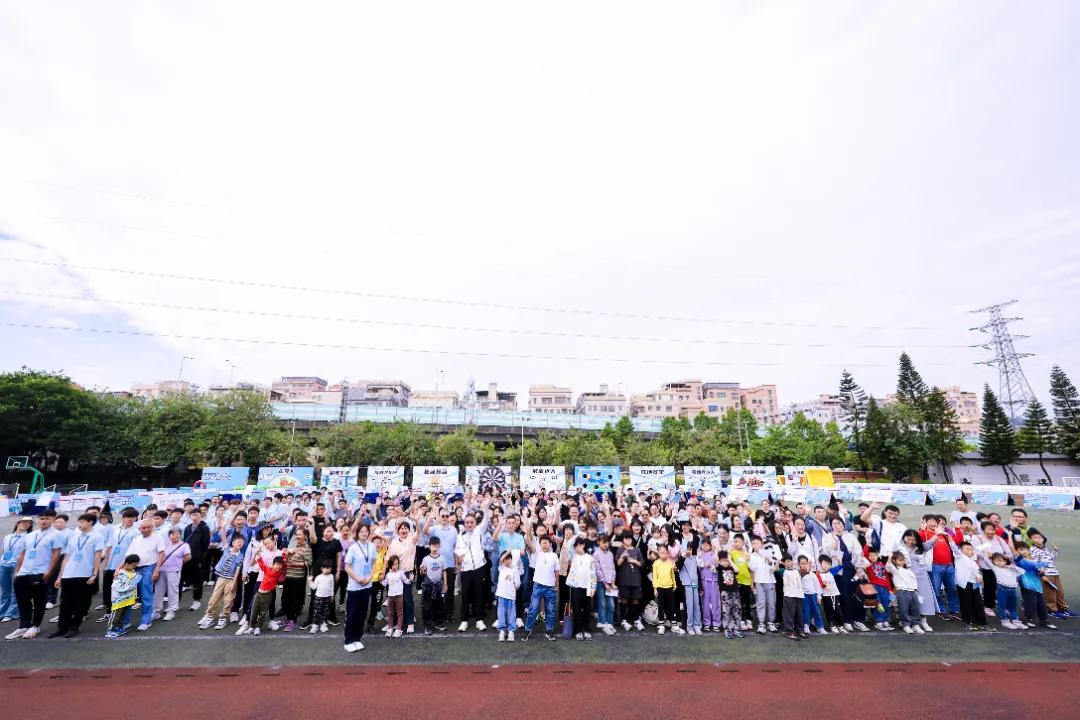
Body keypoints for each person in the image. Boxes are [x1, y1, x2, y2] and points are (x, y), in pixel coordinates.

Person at [8, 511, 63, 640]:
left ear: (52, 520)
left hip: (40, 572)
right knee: (22, 601)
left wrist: (49, 571)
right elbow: (22, 554)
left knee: (39, 601)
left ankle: (35, 626)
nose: (44, 521)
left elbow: (56, 553)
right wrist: (17, 571)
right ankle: (23, 626)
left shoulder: (56, 535)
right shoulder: (30, 535)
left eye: (47, 519)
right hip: (23, 572)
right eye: (41, 518)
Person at [49, 513, 104, 638]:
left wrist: (95, 573)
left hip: (84, 574)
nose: (79, 524)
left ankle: (74, 627)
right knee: (65, 603)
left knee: (81, 603)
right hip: (68, 574)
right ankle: (62, 628)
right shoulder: (74, 537)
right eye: (79, 522)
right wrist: (60, 576)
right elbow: (66, 557)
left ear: (90, 522)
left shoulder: (97, 536)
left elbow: (97, 555)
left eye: (82, 522)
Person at [198, 533, 245, 630]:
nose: (240, 543)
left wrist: (233, 582)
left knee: (228, 599)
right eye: (238, 541)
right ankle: (210, 617)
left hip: (231, 579)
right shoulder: (227, 549)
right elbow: (223, 538)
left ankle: (223, 618)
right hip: (221, 578)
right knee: (214, 597)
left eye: (242, 542)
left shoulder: (241, 556)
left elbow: (237, 570)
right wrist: (223, 527)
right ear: (233, 543)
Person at [126, 519, 165, 632]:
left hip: (148, 568)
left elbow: (161, 554)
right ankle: (126, 621)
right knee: (128, 594)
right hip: (133, 569)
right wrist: (120, 569)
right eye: (143, 528)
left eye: (149, 527)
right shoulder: (136, 539)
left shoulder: (158, 537)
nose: (146, 529)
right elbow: (128, 556)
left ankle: (145, 621)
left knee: (146, 595)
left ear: (153, 527)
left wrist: (157, 570)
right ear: (139, 529)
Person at [343, 524, 376, 652]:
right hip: (355, 586)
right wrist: (358, 579)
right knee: (352, 613)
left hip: (367, 584)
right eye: (361, 531)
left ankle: (357, 638)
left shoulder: (371, 546)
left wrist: (369, 577)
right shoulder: (353, 548)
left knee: (362, 613)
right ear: (357, 533)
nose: (364, 533)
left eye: (366, 531)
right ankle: (348, 641)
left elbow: (373, 563)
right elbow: (347, 567)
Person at [522, 532, 560, 641]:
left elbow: (557, 571)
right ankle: (527, 630)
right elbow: (528, 541)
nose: (544, 545)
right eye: (543, 543)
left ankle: (549, 631)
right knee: (533, 609)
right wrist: (528, 526)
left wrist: (556, 584)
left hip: (550, 587)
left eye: (546, 543)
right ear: (540, 544)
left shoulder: (554, 556)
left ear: (550, 544)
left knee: (550, 611)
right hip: (537, 586)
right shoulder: (536, 553)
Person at [1028, 531, 1074, 619]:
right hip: (1046, 574)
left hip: (1054, 572)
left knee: (1060, 592)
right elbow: (1035, 564)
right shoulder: (1033, 550)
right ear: (1031, 540)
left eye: (1039, 537)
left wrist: (1055, 550)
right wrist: (1042, 575)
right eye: (1035, 537)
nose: (1038, 539)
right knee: (1050, 593)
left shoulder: (1044, 549)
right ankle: (1051, 610)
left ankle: (1063, 609)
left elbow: (1051, 559)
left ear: (1043, 539)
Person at [1014, 542, 1057, 630]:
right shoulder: (1019, 561)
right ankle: (1030, 619)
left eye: (1025, 549)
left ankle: (1044, 620)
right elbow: (1031, 566)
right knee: (1031, 603)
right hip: (1027, 585)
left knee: (1041, 604)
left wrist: (1041, 572)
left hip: (1037, 585)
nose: (1023, 551)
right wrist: (1043, 564)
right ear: (1017, 551)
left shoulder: (1033, 560)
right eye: (1020, 550)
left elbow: (1037, 570)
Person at [153, 528, 190, 621]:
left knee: (172, 590)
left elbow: (188, 557)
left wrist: (179, 563)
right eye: (172, 534)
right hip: (162, 570)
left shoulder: (184, 545)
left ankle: (171, 611)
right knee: (158, 591)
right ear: (169, 535)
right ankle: (156, 611)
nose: (175, 536)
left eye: (177, 534)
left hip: (174, 571)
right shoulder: (165, 544)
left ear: (180, 535)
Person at [244, 554, 287, 636]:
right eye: (277, 565)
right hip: (259, 593)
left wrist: (284, 556)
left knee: (262, 612)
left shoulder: (279, 572)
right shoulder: (267, 569)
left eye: (280, 565)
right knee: (254, 610)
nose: (278, 567)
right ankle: (252, 627)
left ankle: (258, 627)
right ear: (273, 565)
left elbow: (284, 565)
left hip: (268, 595)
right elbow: (262, 564)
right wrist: (259, 557)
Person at [1, 518, 33, 624]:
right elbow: (5, 551)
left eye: (29, 523)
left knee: (15, 591)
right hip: (4, 565)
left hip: (17, 566)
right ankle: (2, 612)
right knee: (5, 591)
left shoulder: (28, 538)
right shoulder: (8, 537)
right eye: (24, 522)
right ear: (18, 523)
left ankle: (11, 614)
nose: (26, 524)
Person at [954, 541, 988, 630]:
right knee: (966, 603)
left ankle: (981, 622)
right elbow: (953, 547)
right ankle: (967, 622)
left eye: (971, 549)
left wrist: (979, 577)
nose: (970, 551)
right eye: (967, 549)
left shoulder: (972, 561)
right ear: (961, 550)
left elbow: (976, 572)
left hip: (974, 584)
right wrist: (948, 537)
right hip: (963, 584)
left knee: (978, 602)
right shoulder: (959, 556)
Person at [614, 531, 644, 633]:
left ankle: (636, 620)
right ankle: (623, 620)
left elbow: (641, 563)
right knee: (624, 599)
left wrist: (634, 561)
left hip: (635, 579)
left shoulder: (636, 550)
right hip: (624, 579)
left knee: (636, 600)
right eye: (626, 538)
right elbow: (618, 564)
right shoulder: (620, 550)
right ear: (623, 540)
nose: (628, 540)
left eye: (629, 538)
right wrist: (623, 556)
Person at [104, 554, 140, 638]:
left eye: (135, 565)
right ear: (126, 563)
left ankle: (118, 628)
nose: (134, 567)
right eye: (133, 565)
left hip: (127, 599)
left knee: (122, 615)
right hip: (118, 599)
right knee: (115, 616)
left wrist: (135, 596)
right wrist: (130, 586)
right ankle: (110, 630)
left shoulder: (132, 573)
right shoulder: (120, 573)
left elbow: (134, 586)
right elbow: (116, 587)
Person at [566, 537, 596, 641]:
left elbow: (593, 573)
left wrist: (593, 587)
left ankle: (587, 630)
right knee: (577, 610)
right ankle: (577, 631)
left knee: (587, 610)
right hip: (576, 587)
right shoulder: (574, 557)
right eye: (575, 546)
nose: (576, 548)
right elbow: (569, 546)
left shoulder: (590, 558)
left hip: (587, 587)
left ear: (583, 545)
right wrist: (577, 536)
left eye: (578, 546)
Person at [887, 551, 922, 634]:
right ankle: (906, 625)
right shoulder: (895, 569)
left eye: (903, 560)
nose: (902, 561)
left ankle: (915, 625)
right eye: (900, 560)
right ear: (894, 561)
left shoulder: (908, 569)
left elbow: (913, 580)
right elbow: (888, 566)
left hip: (912, 591)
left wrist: (915, 590)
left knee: (915, 608)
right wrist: (890, 556)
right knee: (904, 609)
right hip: (902, 591)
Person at [419, 536, 448, 635]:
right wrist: (421, 569)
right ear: (429, 546)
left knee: (439, 605)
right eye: (432, 546)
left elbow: (444, 571)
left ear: (439, 546)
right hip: (428, 587)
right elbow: (422, 573)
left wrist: (445, 584)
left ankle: (438, 622)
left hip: (439, 585)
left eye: (436, 546)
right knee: (427, 606)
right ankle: (427, 625)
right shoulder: (426, 559)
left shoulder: (442, 558)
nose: (434, 548)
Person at [181, 509, 209, 611]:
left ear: (200, 516)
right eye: (193, 515)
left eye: (197, 515)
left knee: (197, 580)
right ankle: (175, 603)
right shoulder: (187, 528)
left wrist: (199, 555)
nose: (195, 517)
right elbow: (185, 542)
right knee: (182, 579)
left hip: (198, 559)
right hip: (187, 557)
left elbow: (205, 544)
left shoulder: (204, 528)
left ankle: (197, 601)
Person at [650, 544, 682, 635]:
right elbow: (654, 577)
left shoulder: (670, 562)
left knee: (671, 606)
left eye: (665, 552)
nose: (663, 554)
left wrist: (674, 585)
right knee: (661, 606)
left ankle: (674, 624)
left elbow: (672, 575)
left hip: (669, 587)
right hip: (660, 588)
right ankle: (661, 625)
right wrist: (655, 588)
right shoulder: (656, 563)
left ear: (667, 553)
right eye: (661, 553)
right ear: (658, 553)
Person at [990, 553, 1023, 630]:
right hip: (1001, 589)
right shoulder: (995, 568)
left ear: (1005, 561)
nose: (999, 562)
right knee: (1002, 606)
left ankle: (1015, 620)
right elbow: (985, 558)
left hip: (1012, 589)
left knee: (1012, 606)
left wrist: (1011, 566)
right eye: (996, 560)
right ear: (993, 562)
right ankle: (1004, 621)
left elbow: (1022, 571)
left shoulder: (1011, 569)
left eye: (1001, 560)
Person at [593, 534, 617, 635]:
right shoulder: (596, 554)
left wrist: (612, 581)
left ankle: (609, 623)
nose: (606, 544)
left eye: (607, 542)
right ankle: (603, 623)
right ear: (599, 542)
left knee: (611, 604)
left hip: (610, 582)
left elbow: (612, 568)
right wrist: (605, 583)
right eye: (604, 542)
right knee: (602, 603)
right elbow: (598, 570)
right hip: (600, 583)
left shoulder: (610, 554)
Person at [495, 550, 521, 642]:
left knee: (511, 614)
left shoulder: (514, 570)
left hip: (511, 596)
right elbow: (500, 560)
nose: (506, 561)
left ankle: (511, 631)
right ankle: (502, 631)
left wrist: (513, 587)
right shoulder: (501, 568)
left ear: (511, 559)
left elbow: (517, 584)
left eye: (508, 559)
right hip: (501, 596)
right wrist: (507, 552)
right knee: (501, 614)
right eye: (505, 559)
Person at [718, 550, 743, 639]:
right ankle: (727, 629)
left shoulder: (732, 568)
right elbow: (716, 561)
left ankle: (737, 629)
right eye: (723, 560)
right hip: (725, 593)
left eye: (727, 560)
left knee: (737, 610)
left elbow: (737, 570)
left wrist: (731, 561)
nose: (726, 562)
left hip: (735, 591)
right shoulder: (720, 568)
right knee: (726, 611)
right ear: (720, 561)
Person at [780, 554, 805, 640]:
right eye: (787, 561)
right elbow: (776, 569)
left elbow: (802, 574)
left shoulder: (796, 571)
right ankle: (789, 631)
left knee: (799, 614)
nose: (790, 563)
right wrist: (779, 563)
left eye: (791, 561)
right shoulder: (783, 571)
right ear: (784, 563)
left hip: (799, 595)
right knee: (789, 615)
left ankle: (800, 630)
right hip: (789, 595)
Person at [699, 537, 720, 632]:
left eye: (707, 545)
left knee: (715, 602)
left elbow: (717, 565)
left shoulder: (714, 554)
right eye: (703, 545)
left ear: (710, 546)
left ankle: (716, 623)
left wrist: (711, 565)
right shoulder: (700, 555)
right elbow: (699, 565)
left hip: (714, 581)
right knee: (705, 603)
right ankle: (706, 623)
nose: (705, 547)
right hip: (704, 581)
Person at [309, 562, 336, 634]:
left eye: (329, 568)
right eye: (326, 568)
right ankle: (315, 625)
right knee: (317, 611)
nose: (327, 570)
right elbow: (314, 587)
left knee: (325, 611)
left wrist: (332, 595)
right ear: (322, 568)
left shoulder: (331, 576)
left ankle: (323, 624)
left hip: (327, 597)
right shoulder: (318, 577)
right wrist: (310, 581)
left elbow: (332, 586)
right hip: (319, 597)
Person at [383, 555, 405, 638]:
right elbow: (384, 584)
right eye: (394, 564)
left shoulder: (401, 573)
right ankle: (389, 629)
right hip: (390, 596)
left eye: (397, 564)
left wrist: (410, 579)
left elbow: (406, 581)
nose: (395, 566)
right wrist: (380, 579)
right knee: (390, 613)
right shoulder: (388, 574)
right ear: (390, 565)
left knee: (400, 613)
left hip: (399, 595)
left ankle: (398, 629)